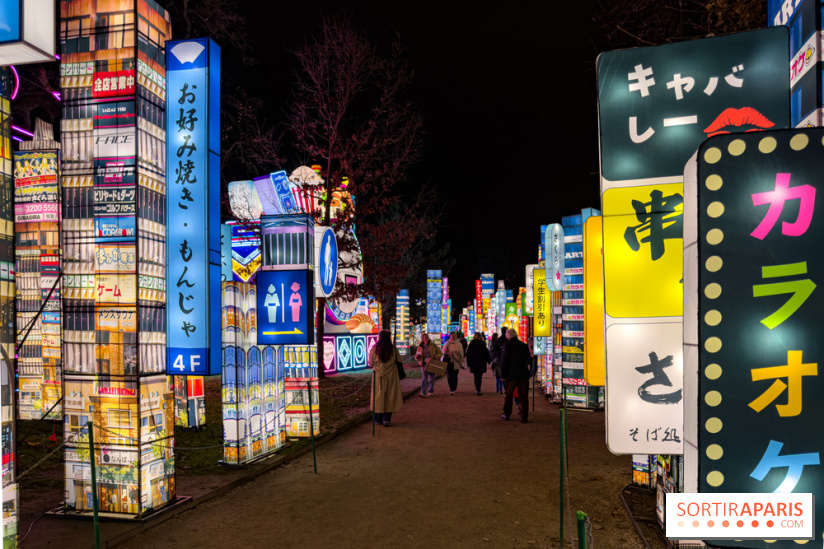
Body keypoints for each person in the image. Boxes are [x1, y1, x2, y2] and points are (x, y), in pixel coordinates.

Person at [369, 330, 404, 426]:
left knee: (378, 397)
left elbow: (371, 363)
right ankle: (387, 419)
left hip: (378, 376)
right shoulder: (393, 349)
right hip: (391, 375)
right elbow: (399, 360)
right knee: (390, 396)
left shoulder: (375, 348)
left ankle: (378, 419)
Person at [501, 328, 533, 423]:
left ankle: (507, 414)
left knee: (509, 395)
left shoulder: (508, 345)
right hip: (523, 373)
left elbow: (504, 361)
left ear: (508, 335)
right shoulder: (523, 345)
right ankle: (524, 416)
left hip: (512, 374)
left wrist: (503, 375)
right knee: (524, 396)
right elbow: (529, 359)